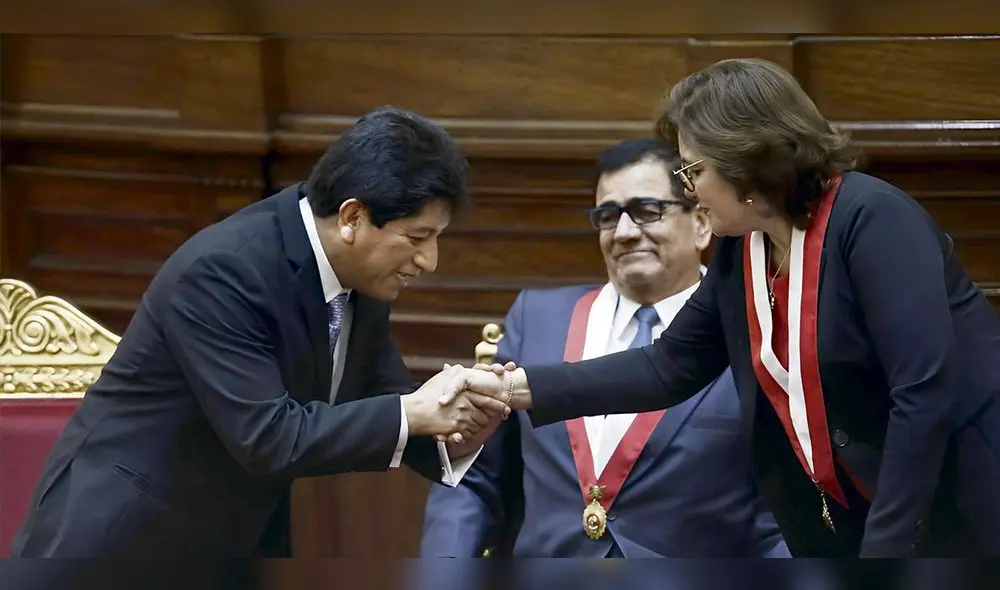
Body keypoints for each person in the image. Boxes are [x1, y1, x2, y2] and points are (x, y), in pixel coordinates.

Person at [441, 59, 1000, 557]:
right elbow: (666, 368)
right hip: (856, 517)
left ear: (745, 157)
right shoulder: (744, 249)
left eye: (693, 170)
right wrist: (513, 390)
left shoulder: (872, 219)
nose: (690, 191)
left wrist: (885, 553)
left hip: (962, 504)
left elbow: (923, 394)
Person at [10, 106, 506, 559]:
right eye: (418, 238)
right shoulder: (225, 271)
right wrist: (416, 411)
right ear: (354, 217)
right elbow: (268, 437)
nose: (429, 261)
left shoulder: (359, 278)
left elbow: (384, 402)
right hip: (122, 543)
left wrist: (456, 429)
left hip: (233, 540)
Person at [420, 138, 788, 558]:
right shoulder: (538, 319)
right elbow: (474, 473)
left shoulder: (756, 330)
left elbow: (785, 513)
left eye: (648, 211)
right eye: (609, 216)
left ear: (702, 222)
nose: (626, 232)